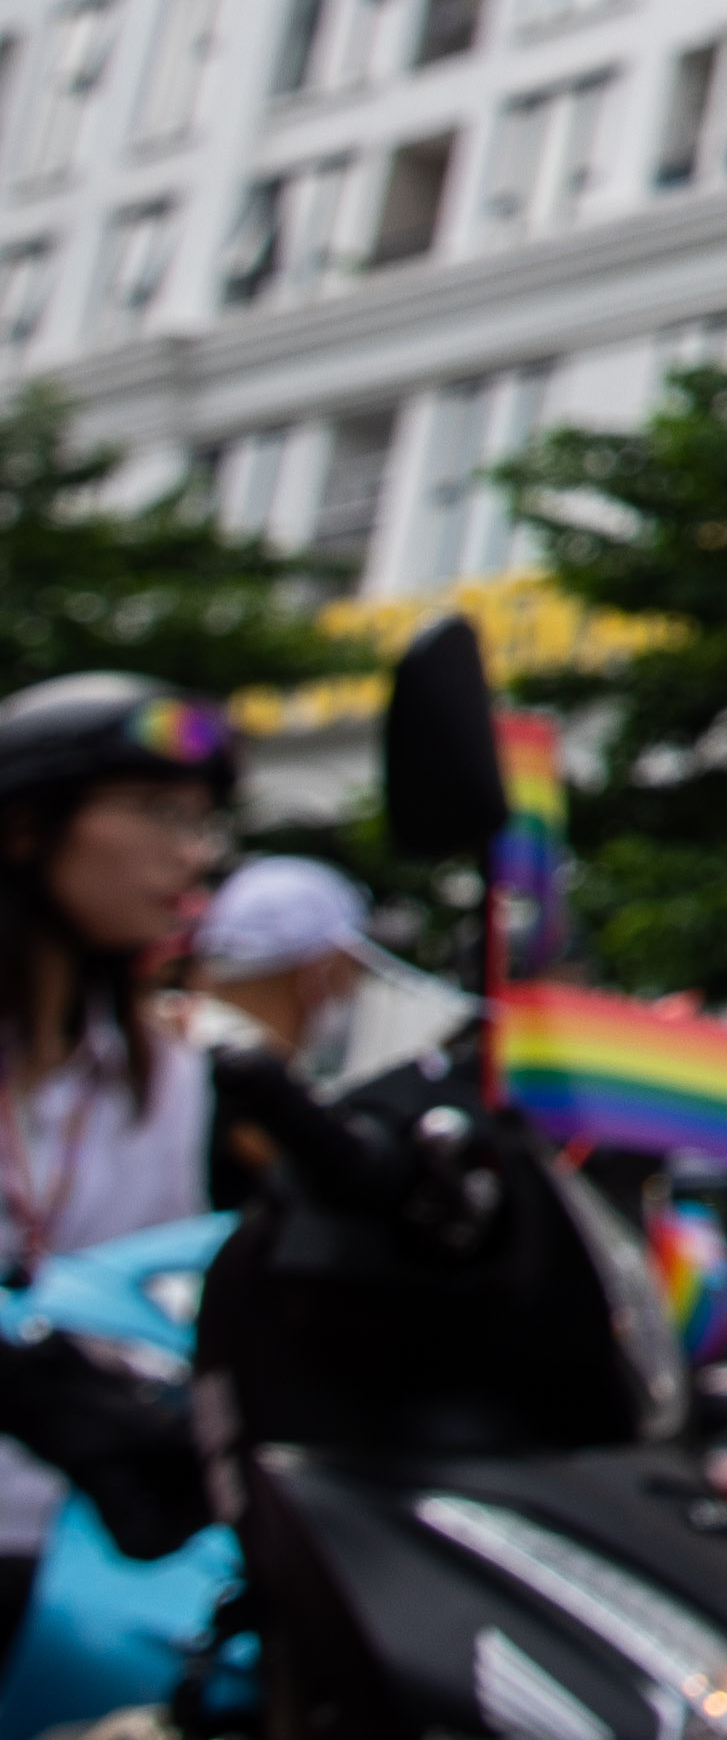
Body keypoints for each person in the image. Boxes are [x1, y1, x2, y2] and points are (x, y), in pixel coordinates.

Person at [0, 677, 224, 1648]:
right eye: (157, 811)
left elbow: (149, 1313)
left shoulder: (169, 1079)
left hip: (68, 1563)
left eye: (206, 821)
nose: (193, 852)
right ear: (24, 825)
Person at [180, 852, 458, 1104]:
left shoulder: (179, 1046)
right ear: (320, 973)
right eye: (352, 970)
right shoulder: (243, 1081)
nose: (355, 988)